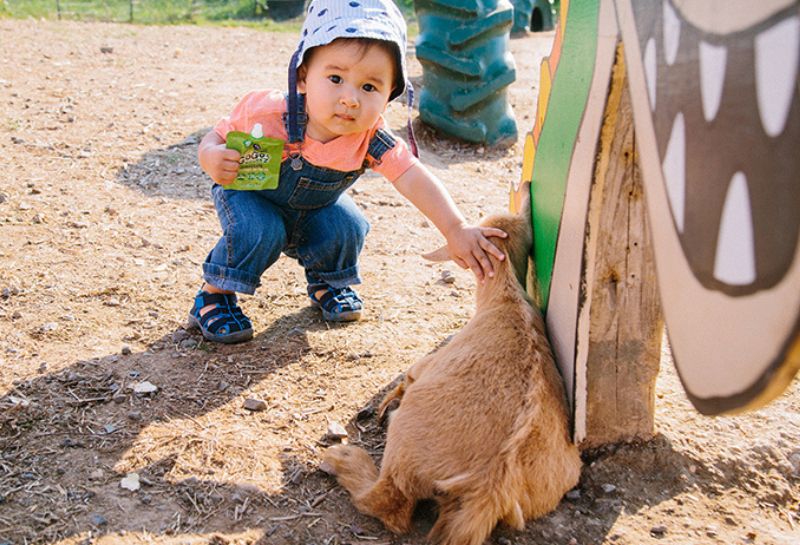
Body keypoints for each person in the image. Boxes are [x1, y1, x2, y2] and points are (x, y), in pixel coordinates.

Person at [189, 0, 507, 344]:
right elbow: (218, 134)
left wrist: (455, 228)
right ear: (302, 76)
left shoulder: (371, 139)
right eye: (336, 78)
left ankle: (327, 281)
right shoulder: (269, 113)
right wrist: (210, 155)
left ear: (390, 96)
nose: (351, 98)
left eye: (370, 87)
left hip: (314, 209)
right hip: (253, 199)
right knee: (260, 230)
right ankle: (215, 294)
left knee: (346, 224)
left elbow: (412, 176)